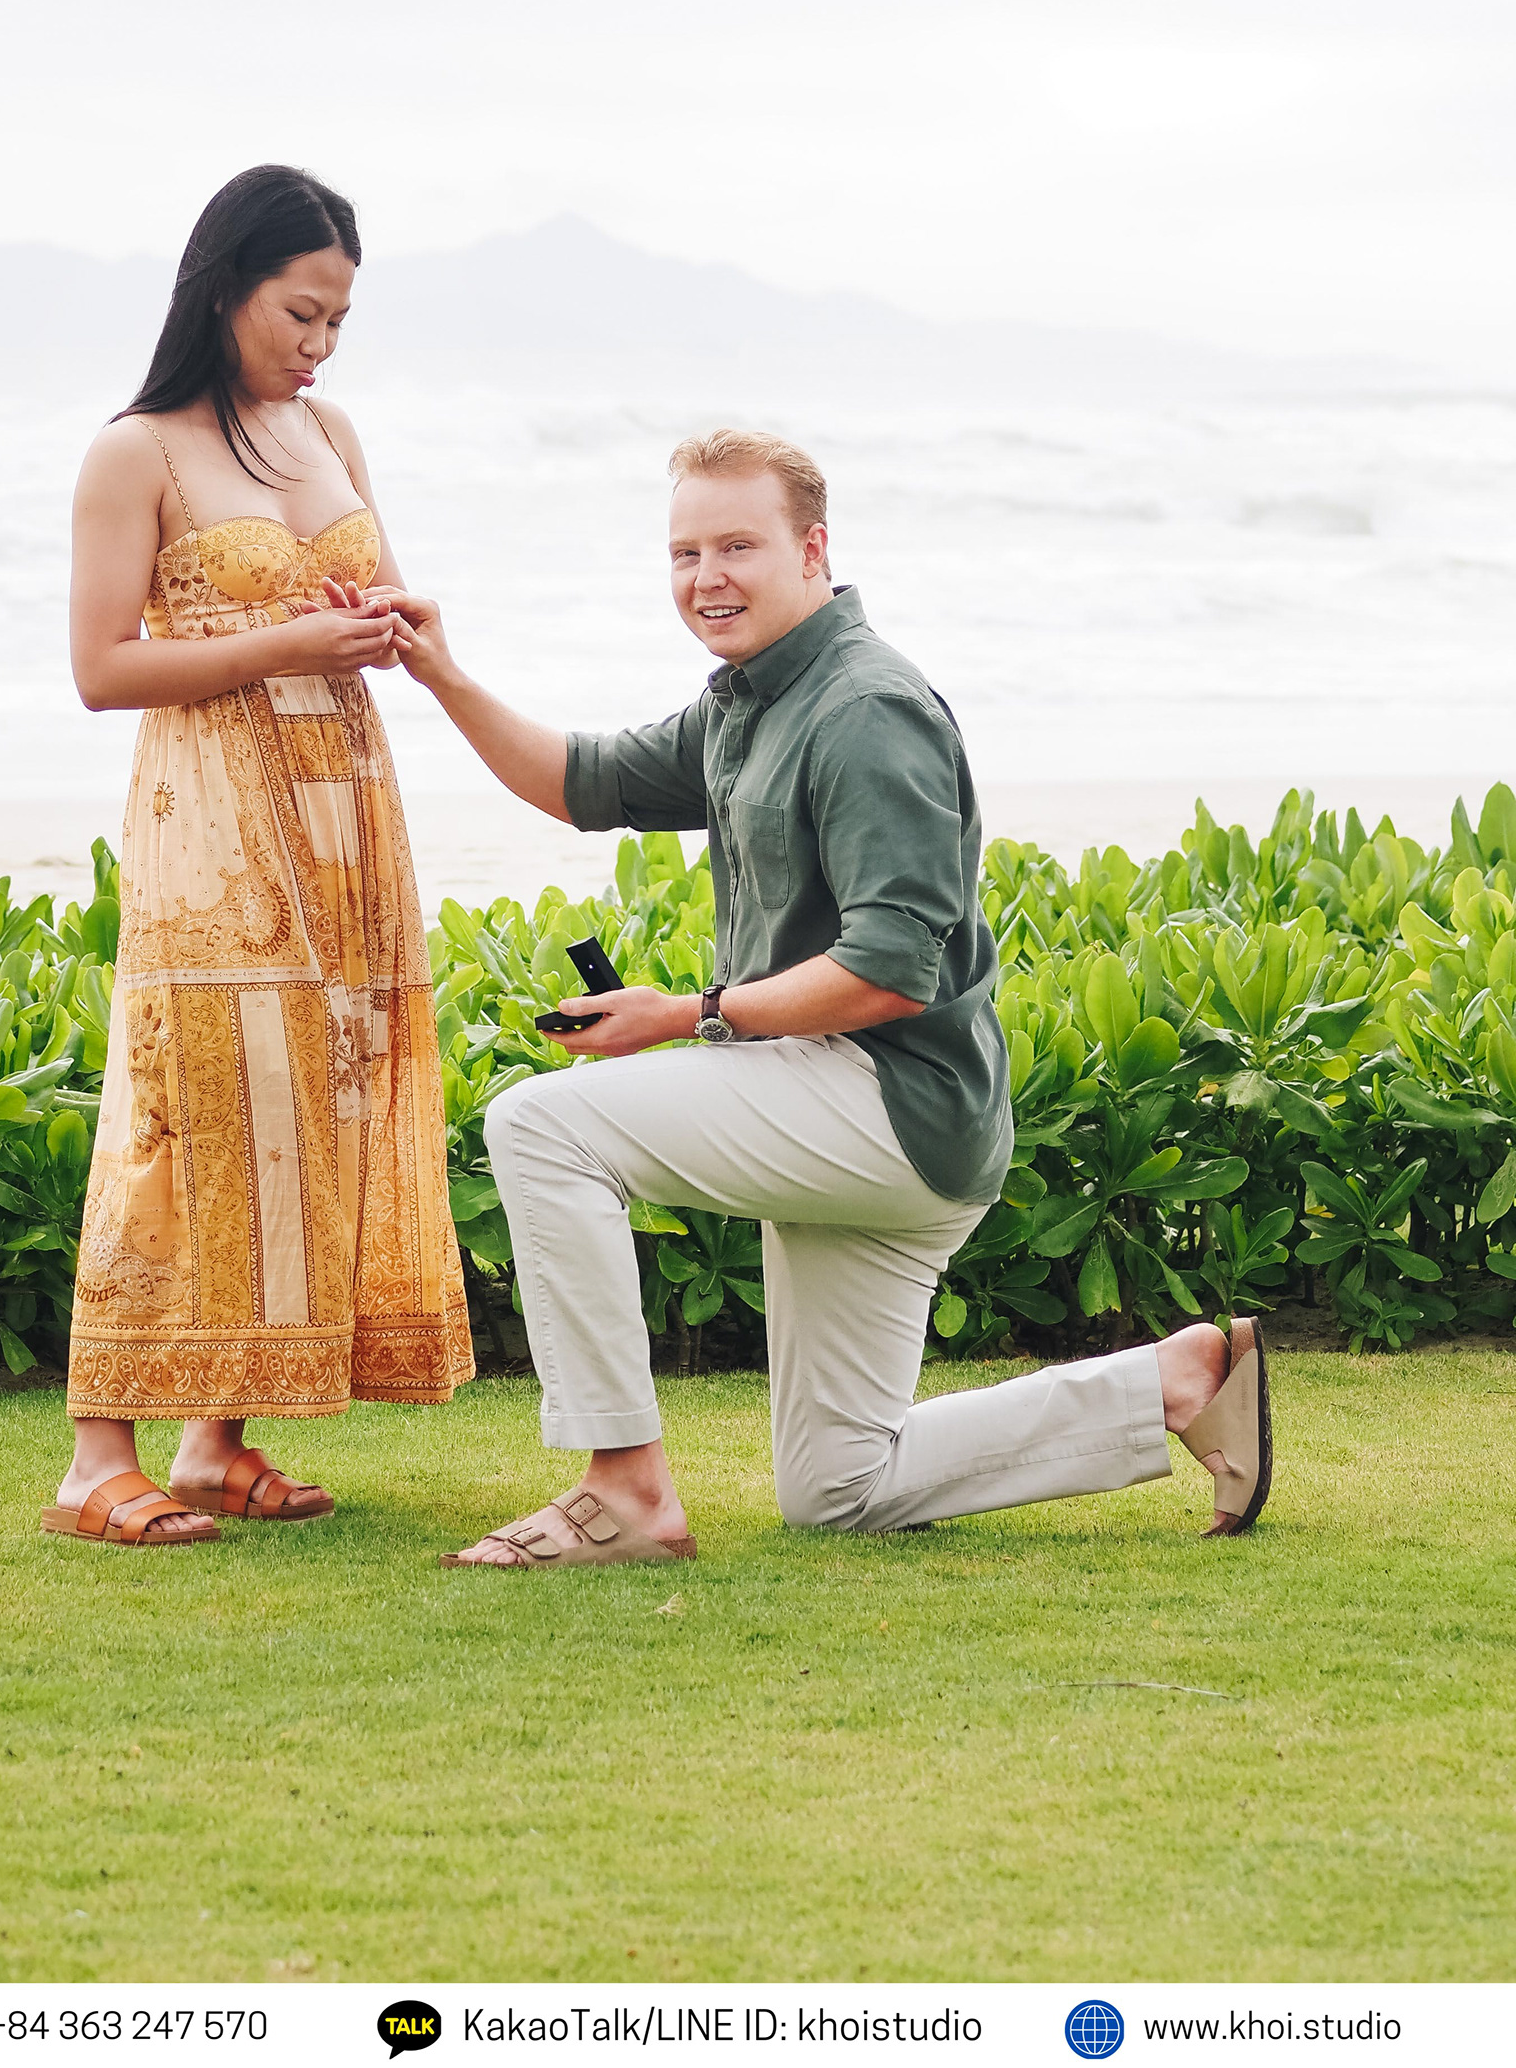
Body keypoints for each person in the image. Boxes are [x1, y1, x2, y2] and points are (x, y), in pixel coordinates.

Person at [369, 426, 1272, 1567]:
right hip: (854, 1112)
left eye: (737, 545)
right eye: (685, 553)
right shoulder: (753, 698)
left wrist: (687, 1015)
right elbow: (580, 781)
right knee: (842, 1486)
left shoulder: (864, 710)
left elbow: (891, 975)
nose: (707, 578)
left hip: (888, 1102)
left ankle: (625, 1492)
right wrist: (442, 673)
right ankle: (1185, 1378)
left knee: (537, 1128)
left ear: (813, 550)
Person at [43, 165, 473, 1550]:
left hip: (346, 797)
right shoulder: (138, 452)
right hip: (212, 811)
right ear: (226, 286)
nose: (320, 344)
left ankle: (216, 1442)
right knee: (181, 1105)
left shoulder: (329, 430)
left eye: (340, 318)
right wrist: (288, 643)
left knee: (310, 1105)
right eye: (302, 311)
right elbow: (103, 668)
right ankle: (93, 1456)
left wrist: (396, 621)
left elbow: (361, 593)